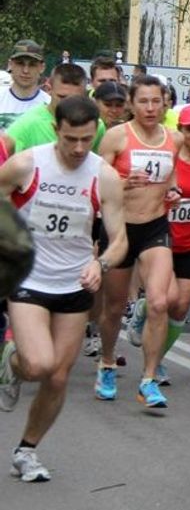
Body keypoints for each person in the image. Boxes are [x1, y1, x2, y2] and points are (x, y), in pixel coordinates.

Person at [0, 96, 127, 480]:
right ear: (57, 129)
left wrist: (100, 263)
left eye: (86, 139)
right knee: (39, 364)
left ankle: (27, 449)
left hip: (75, 283)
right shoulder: (27, 164)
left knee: (58, 376)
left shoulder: (103, 175)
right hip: (28, 278)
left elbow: (120, 239)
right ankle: (12, 361)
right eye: (71, 138)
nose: (78, 148)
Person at [97, 74, 183, 407]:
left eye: (156, 101)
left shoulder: (173, 139)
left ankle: (148, 379)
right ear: (131, 104)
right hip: (120, 230)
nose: (150, 108)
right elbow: (97, 187)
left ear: (165, 103)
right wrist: (123, 182)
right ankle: (106, 360)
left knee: (160, 302)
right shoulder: (117, 137)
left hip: (155, 227)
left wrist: (174, 191)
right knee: (115, 307)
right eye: (143, 101)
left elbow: (172, 178)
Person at [128, 104, 190, 381]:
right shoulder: (169, 158)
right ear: (181, 130)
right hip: (161, 239)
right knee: (166, 300)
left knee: (180, 307)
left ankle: (158, 359)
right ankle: (144, 315)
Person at [6, 63, 106, 154]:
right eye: (62, 97)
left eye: (75, 99)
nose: (68, 104)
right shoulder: (28, 124)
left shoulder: (96, 126)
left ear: (85, 94)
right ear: (49, 89)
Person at [0, 40, 49, 131]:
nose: (25, 70)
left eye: (32, 65)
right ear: (10, 64)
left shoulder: (50, 105)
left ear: (42, 68)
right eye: (20, 63)